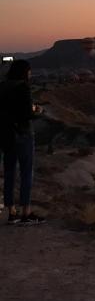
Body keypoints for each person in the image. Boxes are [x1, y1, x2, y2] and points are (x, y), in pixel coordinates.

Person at [0, 60, 45, 225]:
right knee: (26, 173)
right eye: (29, 71)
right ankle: (26, 212)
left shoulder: (2, 85)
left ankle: (11, 213)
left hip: (6, 134)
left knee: (9, 173)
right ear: (25, 72)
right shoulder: (23, 87)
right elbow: (26, 114)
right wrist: (37, 111)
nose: (30, 74)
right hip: (23, 134)